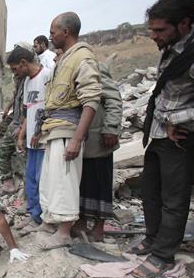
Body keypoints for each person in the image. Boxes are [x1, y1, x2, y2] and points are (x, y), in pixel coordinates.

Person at [129, 0, 194, 278]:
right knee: (150, 191)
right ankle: (153, 239)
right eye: (151, 29)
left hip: (182, 137)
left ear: (184, 24)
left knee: (174, 197)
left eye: (159, 30)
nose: (152, 35)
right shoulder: (172, 48)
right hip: (160, 134)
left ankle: (163, 255)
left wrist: (176, 118)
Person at [36, 12, 102, 250]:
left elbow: (91, 100)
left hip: (67, 130)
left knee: (64, 182)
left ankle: (64, 232)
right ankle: (50, 222)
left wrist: (76, 138)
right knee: (51, 180)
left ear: (66, 32)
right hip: (53, 129)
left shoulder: (82, 58)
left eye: (53, 32)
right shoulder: (63, 59)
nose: (50, 36)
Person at [71, 62, 122, 242]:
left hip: (99, 137)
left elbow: (113, 98)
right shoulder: (68, 67)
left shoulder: (94, 67)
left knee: (101, 181)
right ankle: (82, 221)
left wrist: (111, 128)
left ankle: (99, 227)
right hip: (82, 139)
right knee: (83, 182)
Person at [13, 46, 53, 227]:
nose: (15, 73)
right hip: (32, 142)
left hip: (45, 141)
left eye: (15, 69)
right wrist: (22, 136)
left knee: (42, 180)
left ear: (23, 63)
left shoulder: (48, 76)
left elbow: (52, 110)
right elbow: (28, 113)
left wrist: (40, 132)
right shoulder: (28, 82)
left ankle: (44, 217)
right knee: (30, 178)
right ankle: (34, 214)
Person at [0, 50, 30, 193]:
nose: (14, 72)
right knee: (2, 149)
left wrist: (22, 128)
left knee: (24, 156)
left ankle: (27, 190)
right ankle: (8, 181)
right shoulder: (20, 79)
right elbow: (16, 96)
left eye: (15, 69)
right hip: (16, 121)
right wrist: (8, 108)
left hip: (25, 124)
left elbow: (29, 108)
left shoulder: (33, 79)